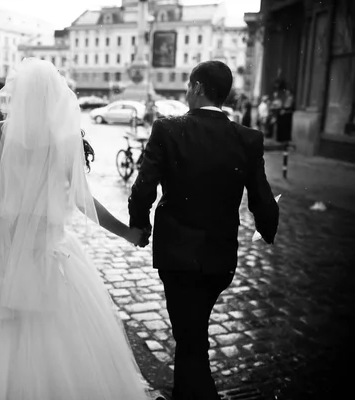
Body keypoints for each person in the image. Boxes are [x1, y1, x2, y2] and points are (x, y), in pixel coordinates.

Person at [0, 58, 152, 400]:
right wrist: (128, 233)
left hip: (1, 244)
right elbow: (83, 202)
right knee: (59, 337)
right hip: (48, 249)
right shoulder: (65, 138)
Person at [128, 60, 280, 400]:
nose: (186, 91)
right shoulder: (247, 137)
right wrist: (268, 228)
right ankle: (186, 391)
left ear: (197, 88)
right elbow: (262, 198)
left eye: (187, 86)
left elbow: (144, 188)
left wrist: (140, 225)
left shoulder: (167, 129)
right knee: (191, 330)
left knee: (190, 333)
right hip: (219, 256)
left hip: (177, 255)